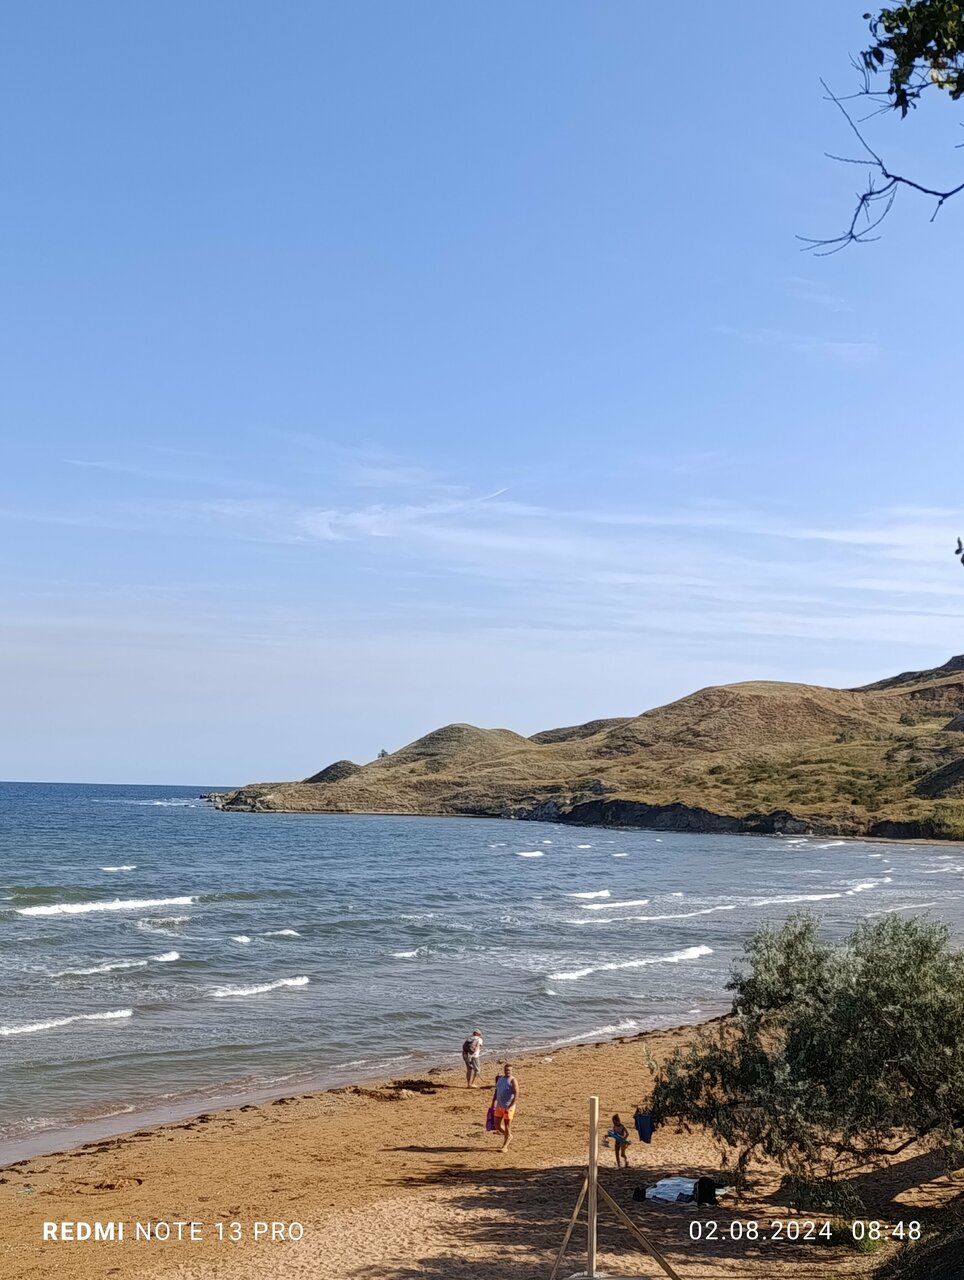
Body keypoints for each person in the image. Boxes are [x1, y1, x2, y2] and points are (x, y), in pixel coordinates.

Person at [491, 1062, 518, 1150]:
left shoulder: (513, 1080)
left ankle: (505, 1146)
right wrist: (493, 1102)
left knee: (507, 1126)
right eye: (506, 1070)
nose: (507, 1072)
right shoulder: (500, 1078)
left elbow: (516, 1094)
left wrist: (511, 1106)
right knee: (496, 1125)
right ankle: (508, 1135)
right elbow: (497, 1091)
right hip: (499, 1106)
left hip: (508, 1107)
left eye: (509, 1070)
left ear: (512, 1071)